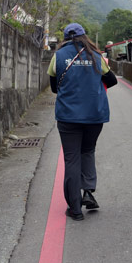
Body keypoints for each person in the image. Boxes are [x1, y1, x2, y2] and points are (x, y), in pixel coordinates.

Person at [48, 22, 118, 220]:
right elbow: (112, 80)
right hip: (94, 115)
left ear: (65, 38)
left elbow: (54, 87)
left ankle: (75, 209)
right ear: (84, 36)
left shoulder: (58, 56)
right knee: (87, 151)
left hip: (68, 116)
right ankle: (88, 191)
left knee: (72, 158)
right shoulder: (96, 56)